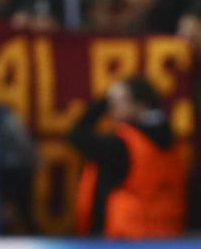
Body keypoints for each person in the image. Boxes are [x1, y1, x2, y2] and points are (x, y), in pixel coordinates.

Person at [70, 75, 189, 238]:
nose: (113, 107)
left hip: (127, 236)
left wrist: (102, 103)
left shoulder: (122, 145)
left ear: (140, 104)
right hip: (168, 233)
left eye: (118, 101)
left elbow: (76, 135)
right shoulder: (172, 139)